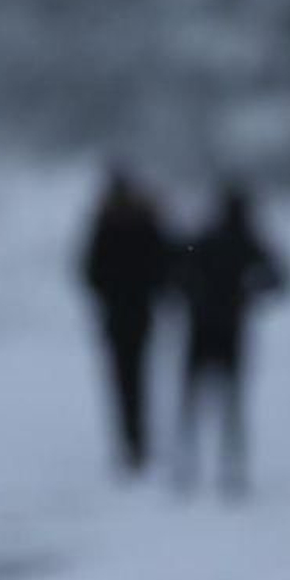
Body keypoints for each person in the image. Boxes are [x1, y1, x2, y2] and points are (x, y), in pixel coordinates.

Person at [175, 183, 288, 498]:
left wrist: (193, 296)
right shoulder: (249, 242)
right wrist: (249, 293)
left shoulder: (205, 238)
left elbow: (177, 271)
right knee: (231, 404)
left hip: (201, 329)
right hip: (230, 330)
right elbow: (281, 279)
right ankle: (231, 470)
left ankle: (187, 468)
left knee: (192, 402)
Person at [80, 167, 171, 476]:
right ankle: (137, 441)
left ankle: (131, 442)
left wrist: (110, 292)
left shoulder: (105, 224)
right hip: (140, 313)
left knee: (123, 381)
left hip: (117, 315)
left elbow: (89, 272)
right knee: (138, 378)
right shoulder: (145, 221)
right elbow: (164, 264)